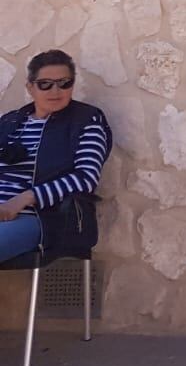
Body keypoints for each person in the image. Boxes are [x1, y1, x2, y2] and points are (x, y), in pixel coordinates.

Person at [0, 50, 113, 264]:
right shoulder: (10, 122)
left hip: (41, 218)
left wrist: (22, 199)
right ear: (30, 87)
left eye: (64, 83)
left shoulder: (86, 121)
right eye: (45, 84)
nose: (55, 90)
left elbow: (85, 178)